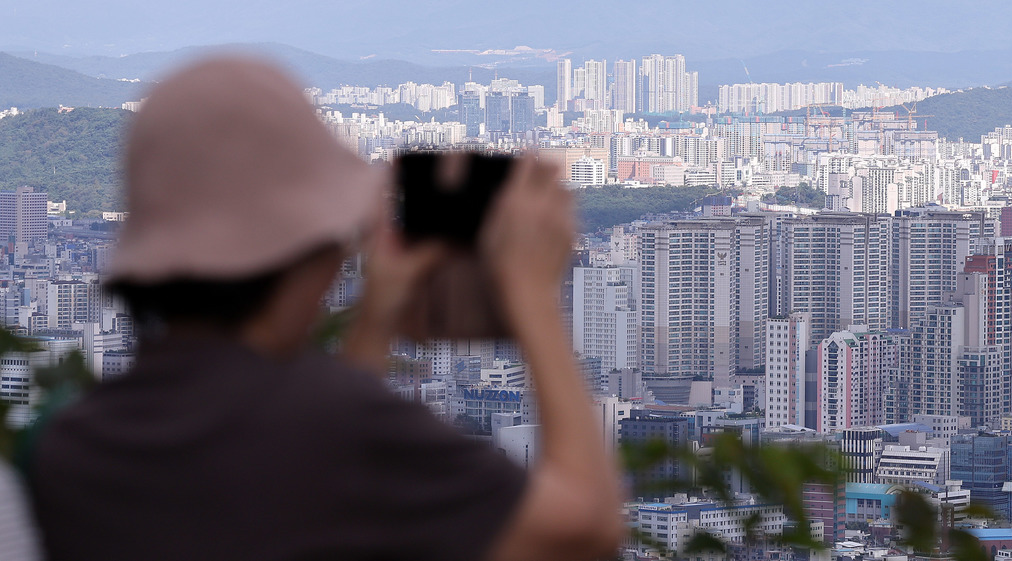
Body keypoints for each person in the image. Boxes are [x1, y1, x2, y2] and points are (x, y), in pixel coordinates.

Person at [26, 57, 622, 560]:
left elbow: (309, 486)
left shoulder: (74, 444)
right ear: (311, 251)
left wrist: (376, 316)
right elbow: (584, 527)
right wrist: (529, 290)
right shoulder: (337, 424)